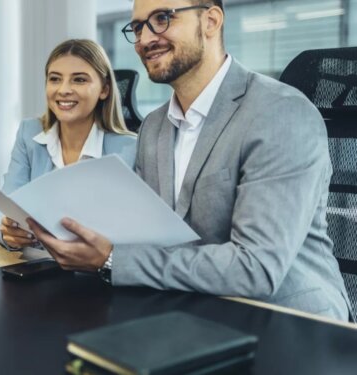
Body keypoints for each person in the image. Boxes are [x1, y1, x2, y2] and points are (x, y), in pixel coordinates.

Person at [30, 0, 353, 321]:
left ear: (211, 21)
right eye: (139, 26)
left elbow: (255, 269)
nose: (144, 39)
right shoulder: (154, 126)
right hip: (194, 310)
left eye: (162, 18)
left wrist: (112, 259)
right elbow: (148, 235)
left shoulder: (280, 113)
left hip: (290, 322)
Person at [0, 39, 136, 250]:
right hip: (35, 269)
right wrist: (6, 229)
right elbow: (0, 210)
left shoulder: (129, 150)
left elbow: (135, 233)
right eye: (55, 79)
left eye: (79, 80)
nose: (64, 90)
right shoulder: (29, 135)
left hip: (95, 275)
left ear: (104, 89)